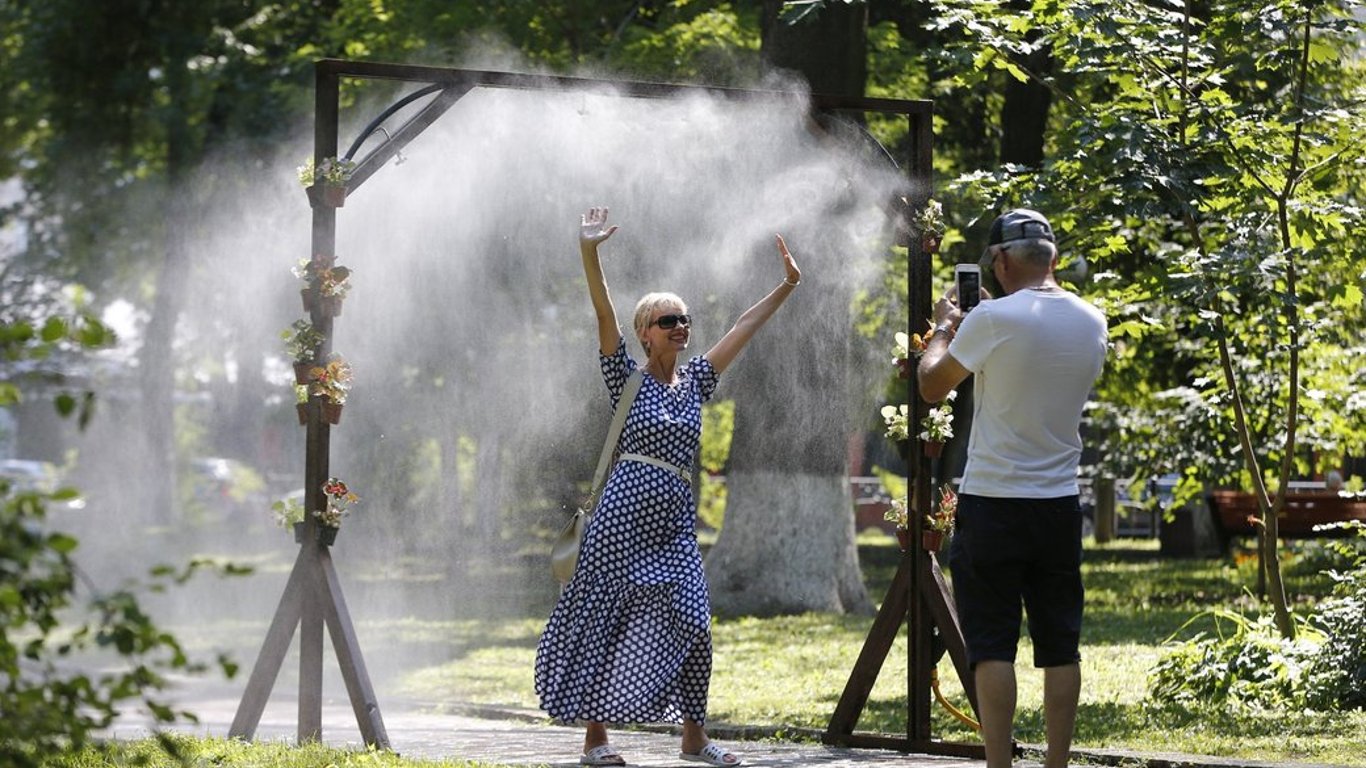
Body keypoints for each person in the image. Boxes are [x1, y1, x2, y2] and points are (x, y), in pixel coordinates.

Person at [534, 207, 801, 767]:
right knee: (604, 619)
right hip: (619, 523)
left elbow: (742, 329)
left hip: (676, 524)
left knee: (694, 623)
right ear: (644, 334)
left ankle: (694, 738)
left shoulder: (697, 380)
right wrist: (589, 252)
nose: (681, 325)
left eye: (684, 319)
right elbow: (602, 310)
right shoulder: (623, 376)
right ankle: (596, 741)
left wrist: (785, 286)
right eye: (667, 320)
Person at [917, 208, 1107, 768]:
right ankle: (1056, 765)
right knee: (1059, 644)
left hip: (993, 503)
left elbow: (931, 385)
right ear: (1052, 256)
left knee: (993, 645)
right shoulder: (1092, 321)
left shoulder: (992, 319)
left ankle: (999, 765)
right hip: (1058, 505)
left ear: (999, 261)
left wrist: (947, 327)